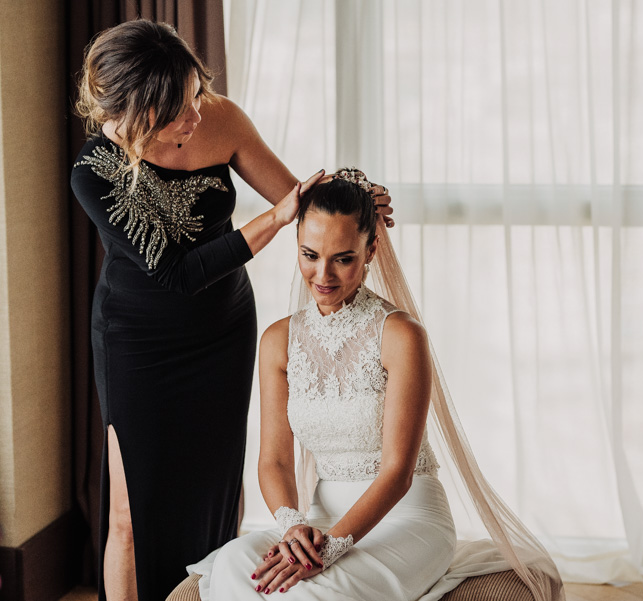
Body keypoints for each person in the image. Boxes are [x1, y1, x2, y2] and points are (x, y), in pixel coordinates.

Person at [70, 21, 392, 601]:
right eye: (178, 109)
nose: (196, 115)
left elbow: (298, 198)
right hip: (138, 341)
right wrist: (273, 219)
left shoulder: (220, 117)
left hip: (222, 332)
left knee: (218, 494)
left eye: (196, 93)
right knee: (128, 510)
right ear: (138, 110)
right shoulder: (95, 171)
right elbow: (178, 273)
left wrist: (357, 198)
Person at [202, 170, 563, 600]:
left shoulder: (400, 336)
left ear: (371, 248)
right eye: (309, 254)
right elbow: (274, 463)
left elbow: (398, 472)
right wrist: (294, 527)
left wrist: (333, 546)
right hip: (318, 518)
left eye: (343, 257)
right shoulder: (278, 341)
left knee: (317, 593)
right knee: (232, 565)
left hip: (406, 519)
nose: (323, 275)